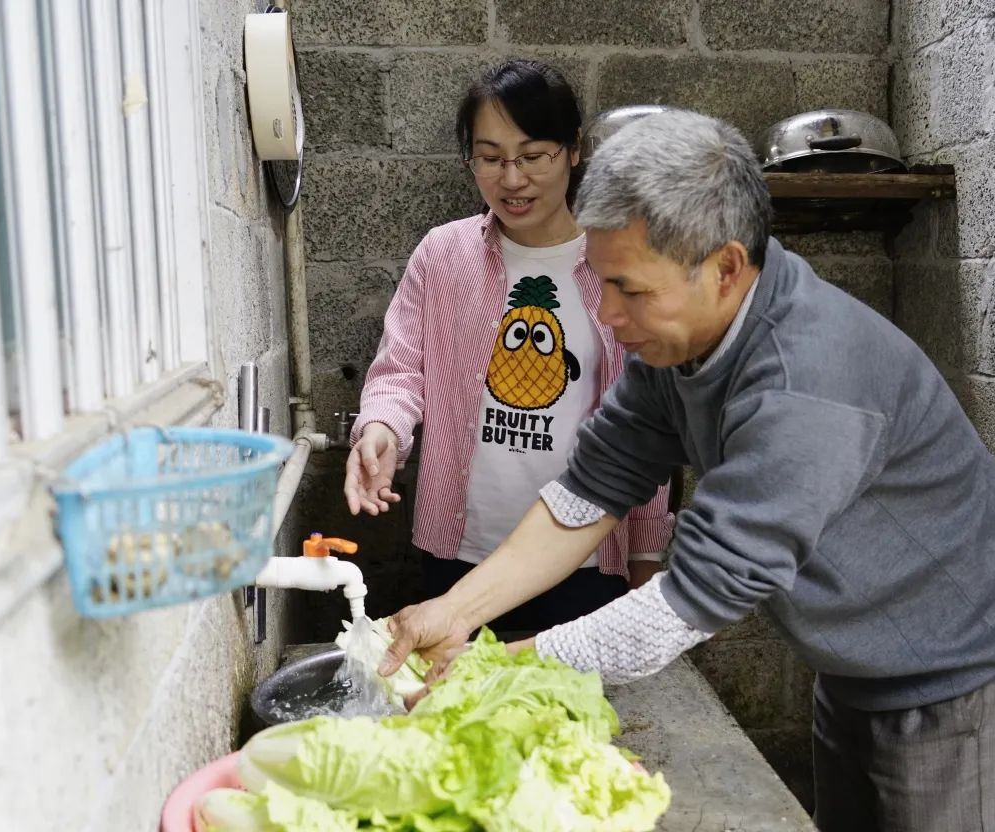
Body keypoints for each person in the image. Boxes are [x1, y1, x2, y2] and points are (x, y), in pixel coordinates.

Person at [379, 109, 995, 832]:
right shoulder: (678, 343)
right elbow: (588, 491)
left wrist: (493, 672)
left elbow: (692, 599)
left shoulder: (804, 382)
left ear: (726, 266)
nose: (608, 314)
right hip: (854, 669)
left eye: (630, 289)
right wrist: (453, 614)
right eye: (601, 282)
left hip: (950, 687)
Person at [342, 60, 673, 633]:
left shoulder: (617, 266)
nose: (512, 179)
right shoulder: (443, 257)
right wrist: (381, 431)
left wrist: (646, 553)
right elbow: (401, 372)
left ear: (572, 150)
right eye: (490, 158)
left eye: (532, 155)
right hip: (460, 552)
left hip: (585, 558)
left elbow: (647, 423)